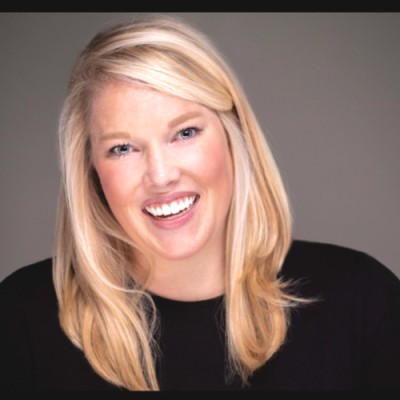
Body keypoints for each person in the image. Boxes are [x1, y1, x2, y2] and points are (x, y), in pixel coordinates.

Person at [1, 13, 399, 391]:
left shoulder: (362, 300)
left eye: (185, 133)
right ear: (90, 169)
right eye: (122, 148)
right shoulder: (21, 318)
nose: (160, 175)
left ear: (234, 136)